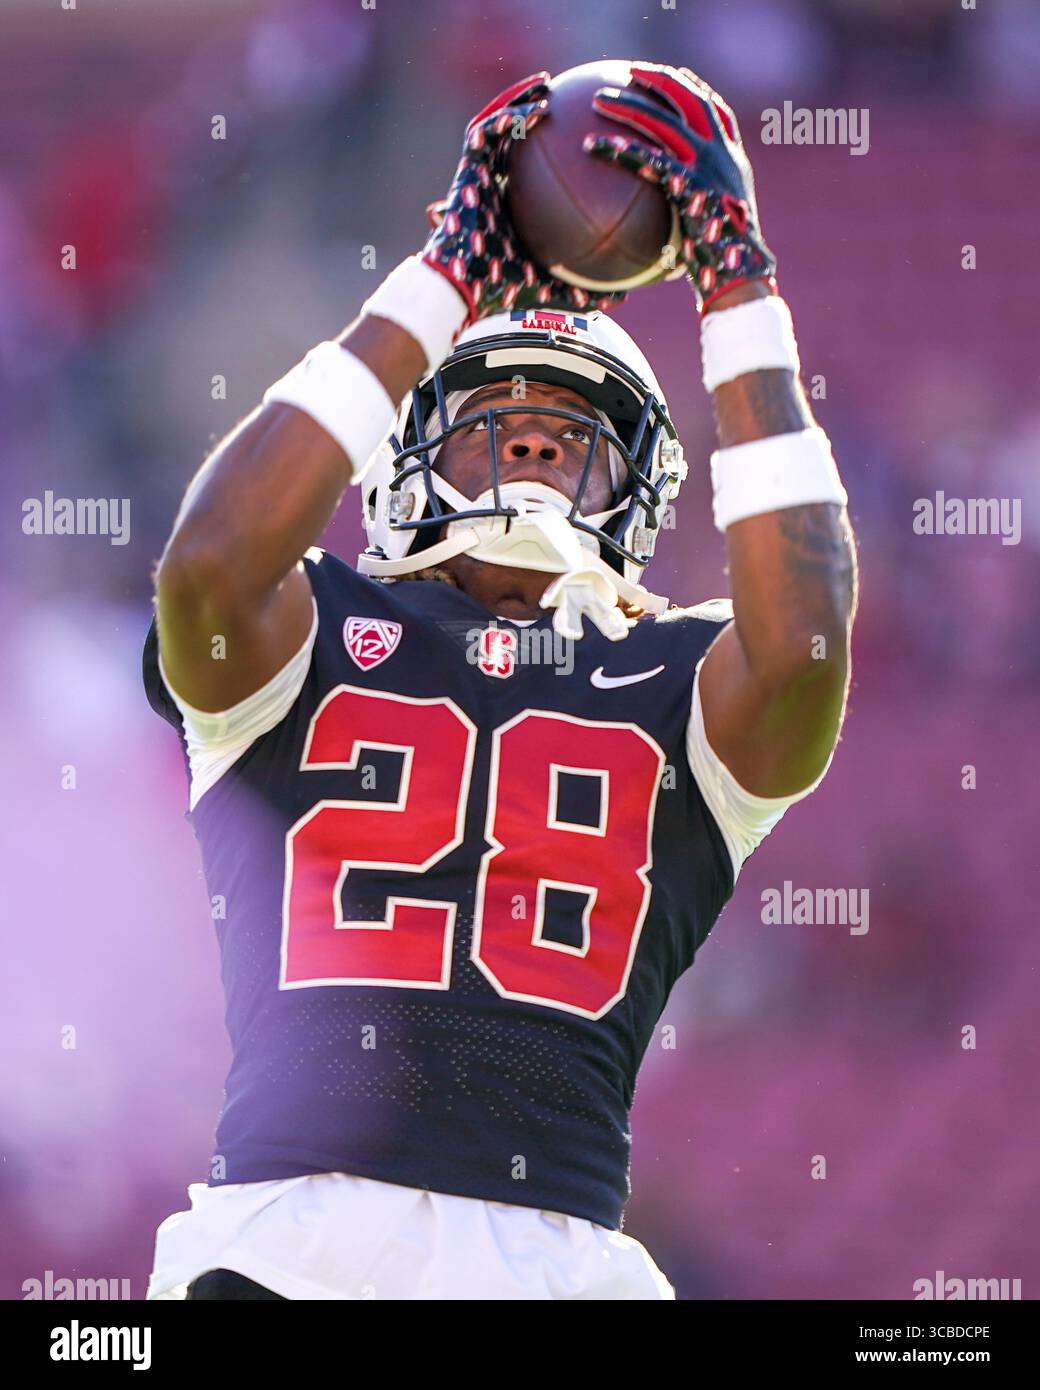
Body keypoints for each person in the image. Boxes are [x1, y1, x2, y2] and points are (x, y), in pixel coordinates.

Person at [143, 65, 857, 1300]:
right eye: (493, 411)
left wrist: (737, 283)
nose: (531, 439)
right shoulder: (305, 626)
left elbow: (805, 653)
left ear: (633, 485)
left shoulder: (680, 675)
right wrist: (439, 275)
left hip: (552, 1260)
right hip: (281, 1248)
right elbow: (205, 567)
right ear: (401, 450)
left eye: (573, 429)